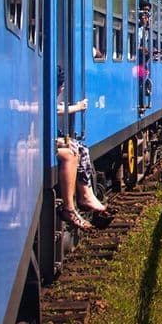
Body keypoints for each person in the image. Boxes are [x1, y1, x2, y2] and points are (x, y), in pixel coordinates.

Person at [56, 66, 106, 230]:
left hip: (52, 140)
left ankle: (87, 194)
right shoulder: (45, 97)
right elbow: (56, 110)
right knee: (72, 153)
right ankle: (72, 205)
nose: (62, 90)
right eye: (61, 87)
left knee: (82, 149)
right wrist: (78, 107)